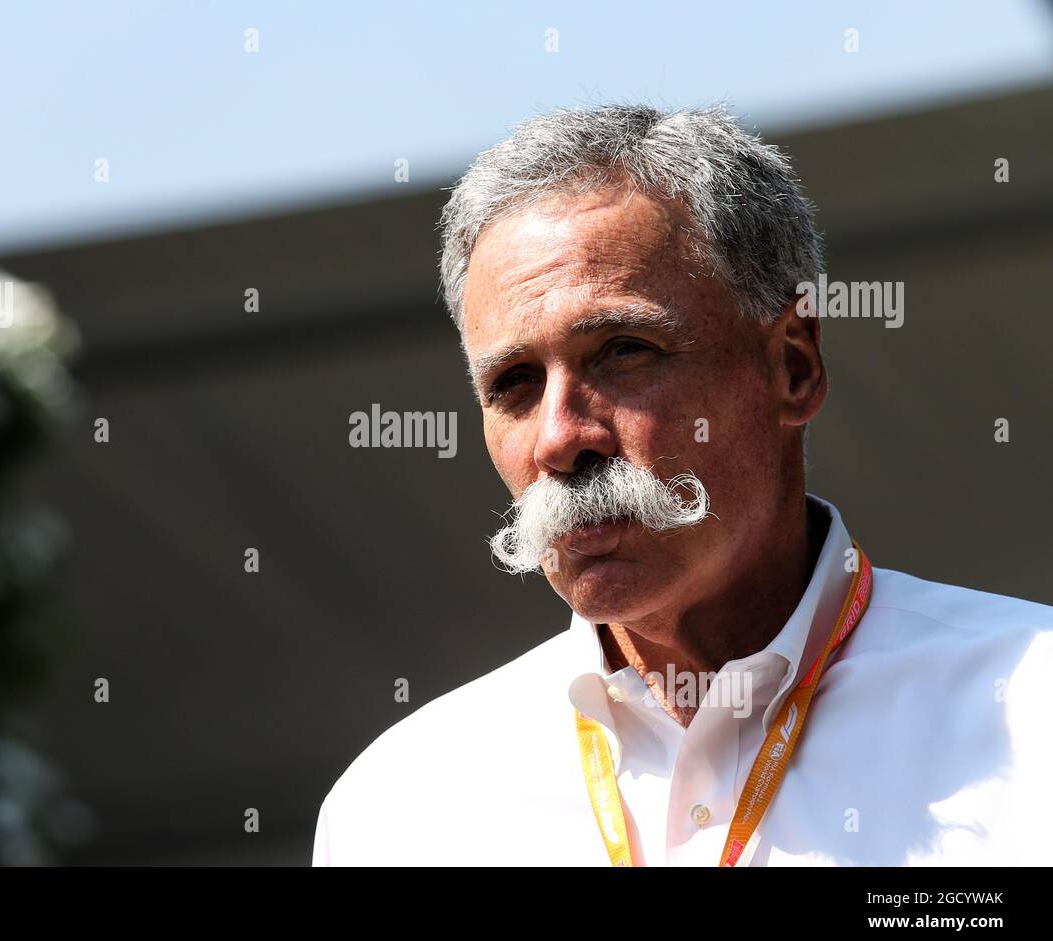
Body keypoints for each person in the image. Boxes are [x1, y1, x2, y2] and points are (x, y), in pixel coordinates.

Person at [312, 105, 1053, 866]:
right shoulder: (400, 809)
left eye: (623, 351)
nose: (561, 438)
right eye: (514, 384)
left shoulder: (1033, 711)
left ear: (793, 369)